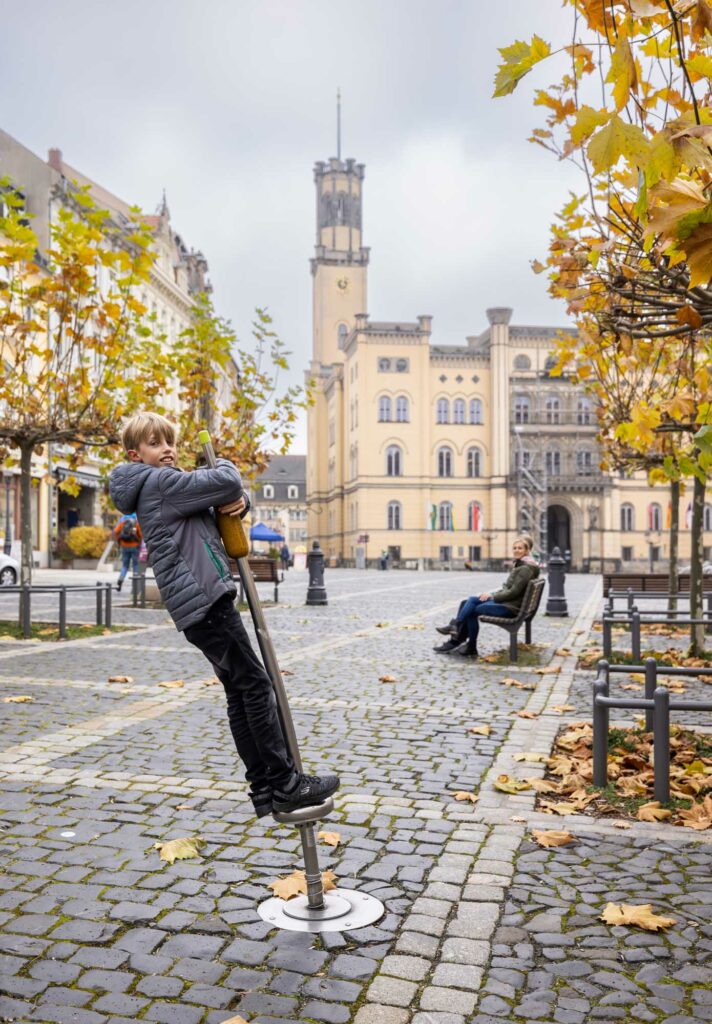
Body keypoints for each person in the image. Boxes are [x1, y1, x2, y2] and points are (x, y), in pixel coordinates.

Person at [109, 412, 339, 819]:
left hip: (195, 605)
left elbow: (220, 502)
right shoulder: (160, 482)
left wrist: (241, 501)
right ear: (135, 454)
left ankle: (264, 788)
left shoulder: (155, 486)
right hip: (206, 600)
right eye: (155, 443)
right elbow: (225, 481)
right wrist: (226, 472)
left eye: (169, 442)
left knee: (239, 690)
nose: (167, 449)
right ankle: (285, 783)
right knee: (255, 684)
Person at [433, 536, 540, 660]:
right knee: (467, 602)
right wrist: (492, 595)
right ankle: (458, 632)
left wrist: (493, 596)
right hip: (509, 602)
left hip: (510, 607)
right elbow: (509, 590)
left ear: (527, 551)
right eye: (515, 548)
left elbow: (513, 592)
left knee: (472, 609)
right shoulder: (522, 565)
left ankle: (463, 639)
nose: (516, 550)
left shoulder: (525, 569)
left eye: (520, 548)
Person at [113, 511, 142, 592]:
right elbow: (141, 535)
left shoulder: (123, 521)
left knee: (125, 566)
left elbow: (115, 532)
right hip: (134, 547)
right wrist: (139, 543)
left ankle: (120, 580)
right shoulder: (136, 522)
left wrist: (119, 542)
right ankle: (135, 586)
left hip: (124, 546)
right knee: (135, 565)